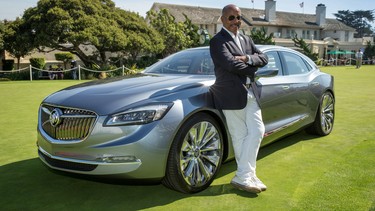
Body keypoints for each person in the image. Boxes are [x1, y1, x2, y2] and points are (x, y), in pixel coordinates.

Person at [209, 4, 268, 193]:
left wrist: (247, 59)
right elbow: (229, 65)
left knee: (258, 130)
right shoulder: (217, 41)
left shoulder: (246, 39)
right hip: (230, 94)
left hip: (251, 92)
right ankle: (247, 176)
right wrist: (252, 66)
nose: (236, 21)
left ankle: (244, 174)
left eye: (238, 17)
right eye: (231, 18)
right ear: (223, 19)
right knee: (239, 135)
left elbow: (264, 58)